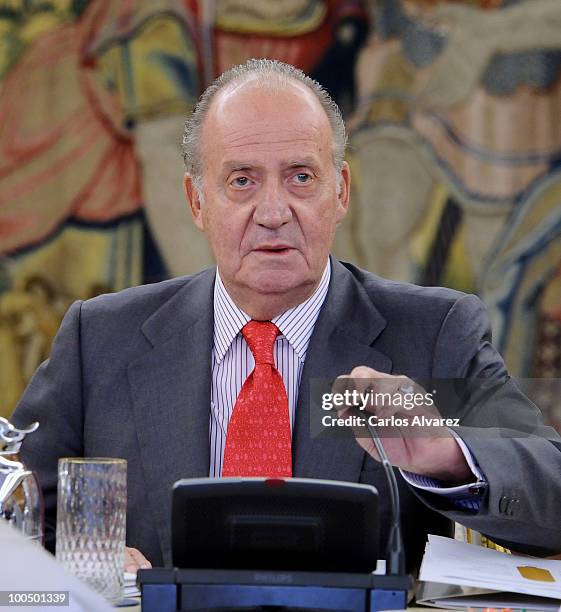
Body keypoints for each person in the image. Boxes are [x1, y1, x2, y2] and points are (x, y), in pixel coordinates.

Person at [11, 59, 561, 575]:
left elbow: (552, 486)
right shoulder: (102, 339)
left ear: (340, 191)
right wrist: (85, 566)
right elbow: (15, 513)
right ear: (197, 201)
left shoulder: (434, 335)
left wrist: (449, 455)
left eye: (300, 177)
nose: (273, 213)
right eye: (242, 180)